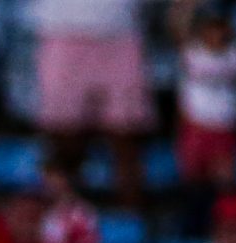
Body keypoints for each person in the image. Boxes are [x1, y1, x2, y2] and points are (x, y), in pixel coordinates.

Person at [31, 0, 151, 204]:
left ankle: (130, 223)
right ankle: (61, 221)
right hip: (62, 31)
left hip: (121, 32)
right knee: (64, 137)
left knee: (126, 135)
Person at [173, 0, 236, 195]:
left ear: (227, 30)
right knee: (192, 184)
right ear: (203, 31)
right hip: (196, 127)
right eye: (211, 29)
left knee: (225, 184)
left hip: (224, 129)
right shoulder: (192, 53)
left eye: (220, 29)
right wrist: (187, 7)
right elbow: (178, 28)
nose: (216, 35)